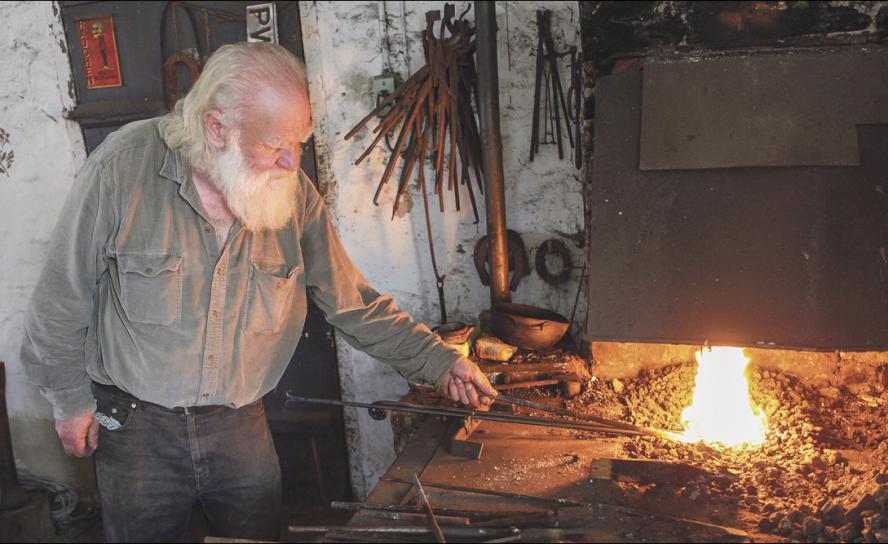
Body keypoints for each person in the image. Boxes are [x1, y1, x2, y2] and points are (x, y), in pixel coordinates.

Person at [21, 42, 496, 542]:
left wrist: (439, 362)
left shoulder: (294, 196)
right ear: (217, 128)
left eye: (300, 141)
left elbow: (353, 302)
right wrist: (70, 402)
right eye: (276, 143)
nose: (293, 162)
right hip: (138, 427)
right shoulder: (122, 171)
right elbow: (60, 298)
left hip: (240, 424)